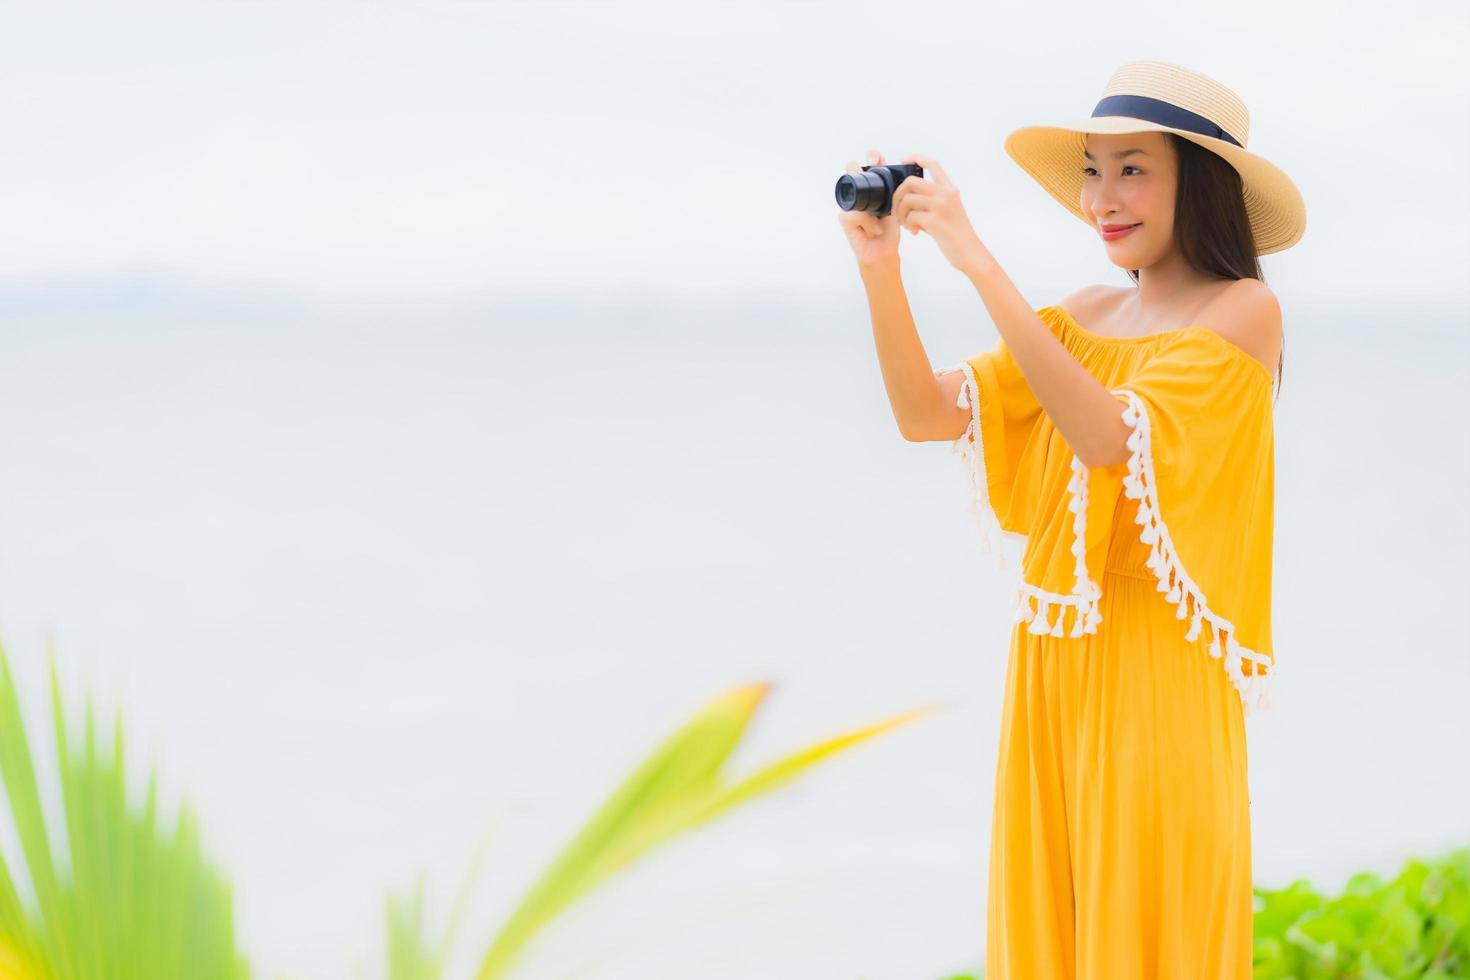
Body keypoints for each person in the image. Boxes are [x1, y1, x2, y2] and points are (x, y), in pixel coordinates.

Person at [837, 61, 1306, 979]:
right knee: (1049, 935)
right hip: (1053, 672)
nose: (1103, 197)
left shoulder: (1243, 313)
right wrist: (881, 267)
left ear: (1196, 183)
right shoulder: (1083, 315)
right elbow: (926, 416)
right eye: (1093, 170)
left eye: (1133, 168)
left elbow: (1103, 438)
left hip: (1159, 685)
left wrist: (976, 259)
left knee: (1148, 936)